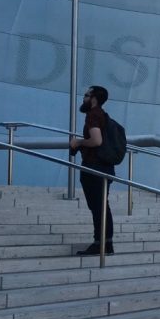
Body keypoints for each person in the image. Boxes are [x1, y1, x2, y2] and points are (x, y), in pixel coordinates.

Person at [69, 85, 115, 255]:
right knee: (102, 205)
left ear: (94, 98)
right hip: (105, 166)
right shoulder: (103, 115)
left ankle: (99, 243)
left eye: (86, 95)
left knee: (98, 206)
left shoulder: (93, 115)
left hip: (94, 167)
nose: (84, 98)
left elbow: (96, 141)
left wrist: (79, 142)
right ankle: (106, 243)